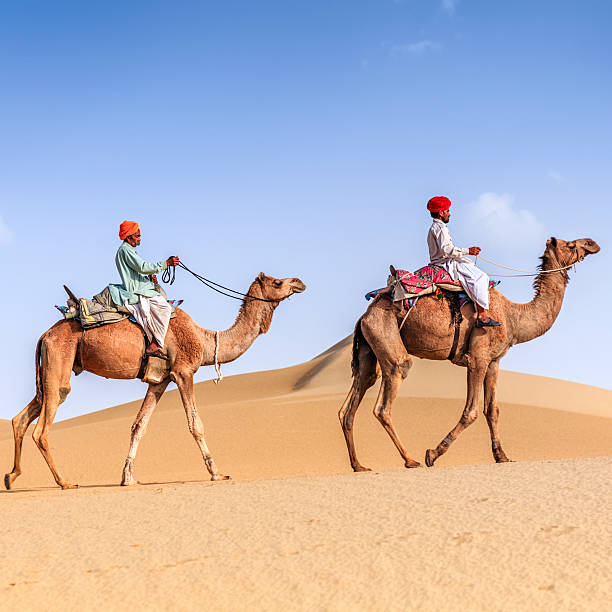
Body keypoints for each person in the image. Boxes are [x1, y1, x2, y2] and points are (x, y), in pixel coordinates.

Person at [108, 220, 180, 359]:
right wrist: (166, 264)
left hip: (141, 286)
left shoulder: (129, 251)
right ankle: (154, 345)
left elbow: (138, 272)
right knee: (165, 309)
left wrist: (148, 279)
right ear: (129, 237)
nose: (139, 239)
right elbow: (142, 267)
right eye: (137, 236)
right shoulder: (125, 250)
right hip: (136, 291)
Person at [426, 196, 500, 327]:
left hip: (441, 262)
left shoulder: (435, 227)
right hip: (445, 263)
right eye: (447, 211)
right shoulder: (441, 228)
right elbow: (446, 250)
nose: (449, 214)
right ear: (441, 213)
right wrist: (468, 251)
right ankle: (482, 316)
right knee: (481, 277)